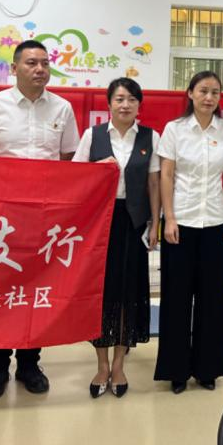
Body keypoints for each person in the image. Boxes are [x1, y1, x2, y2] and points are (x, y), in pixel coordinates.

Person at [0, 39, 80, 398]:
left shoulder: (62, 108)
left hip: (43, 218)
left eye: (45, 63)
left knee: (36, 290)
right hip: (0, 218)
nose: (40, 69)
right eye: (31, 63)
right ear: (14, 69)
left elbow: (68, 161)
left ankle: (30, 363)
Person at [72, 77, 160, 398]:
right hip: (100, 224)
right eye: (120, 99)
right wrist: (97, 168)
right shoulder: (92, 136)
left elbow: (154, 184)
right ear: (109, 103)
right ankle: (101, 364)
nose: (125, 105)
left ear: (139, 105)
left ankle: (120, 364)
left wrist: (155, 224)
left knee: (128, 294)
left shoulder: (150, 136)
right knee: (102, 293)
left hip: (134, 223)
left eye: (132, 100)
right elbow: (74, 178)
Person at [154, 71, 223, 393]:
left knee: (213, 299)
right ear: (190, 93)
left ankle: (208, 368)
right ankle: (176, 370)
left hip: (215, 223)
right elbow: (166, 175)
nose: (209, 97)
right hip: (181, 223)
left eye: (215, 92)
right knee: (176, 299)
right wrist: (169, 218)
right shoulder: (174, 130)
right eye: (203, 91)